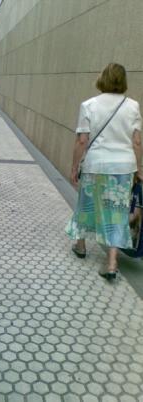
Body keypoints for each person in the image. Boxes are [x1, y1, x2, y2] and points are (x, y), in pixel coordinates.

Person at [65, 63, 143, 280]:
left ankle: (80, 245)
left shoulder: (89, 105)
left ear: (102, 79)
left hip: (95, 165)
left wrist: (74, 167)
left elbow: (82, 140)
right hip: (123, 168)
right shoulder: (133, 106)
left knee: (86, 205)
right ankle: (111, 263)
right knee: (116, 212)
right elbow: (137, 141)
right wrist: (139, 169)